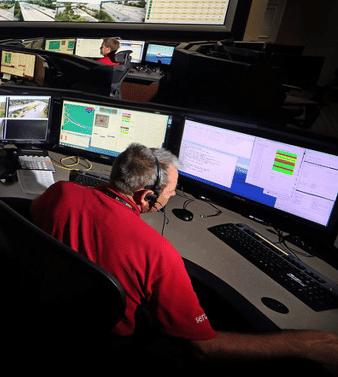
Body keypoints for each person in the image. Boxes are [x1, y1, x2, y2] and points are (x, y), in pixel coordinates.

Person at [31, 143, 338, 369]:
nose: (174, 195)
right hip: (107, 344)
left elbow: (35, 222)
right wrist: (306, 343)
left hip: (48, 312)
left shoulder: (61, 192)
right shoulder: (159, 253)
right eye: (171, 191)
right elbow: (203, 348)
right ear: (146, 196)